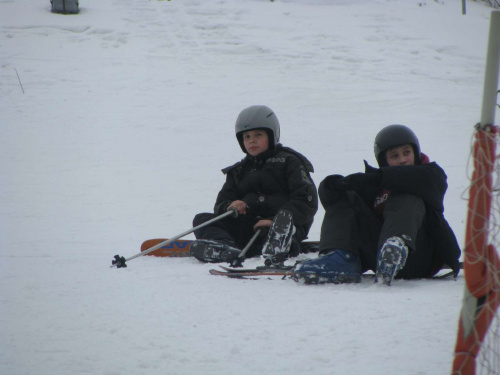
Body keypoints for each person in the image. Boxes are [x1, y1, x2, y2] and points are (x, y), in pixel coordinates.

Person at [293, 124, 461, 285]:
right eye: (394, 156)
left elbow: (411, 178)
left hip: (420, 256)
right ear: (384, 160)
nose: (402, 160)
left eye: (407, 152)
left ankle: (395, 248)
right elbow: (337, 206)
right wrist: (332, 187)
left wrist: (375, 178)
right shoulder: (377, 188)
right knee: (348, 198)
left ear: (416, 153)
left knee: (406, 194)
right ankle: (342, 258)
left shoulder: (431, 176)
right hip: (380, 259)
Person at [190, 105, 318, 265]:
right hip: (247, 230)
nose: (252, 140)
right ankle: (224, 248)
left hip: (278, 229)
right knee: (202, 219)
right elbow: (221, 204)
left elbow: (306, 200)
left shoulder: (290, 162)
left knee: (282, 226)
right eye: (246, 136)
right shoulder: (238, 170)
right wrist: (230, 206)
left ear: (272, 135)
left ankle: (277, 248)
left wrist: (274, 221)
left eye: (258, 134)